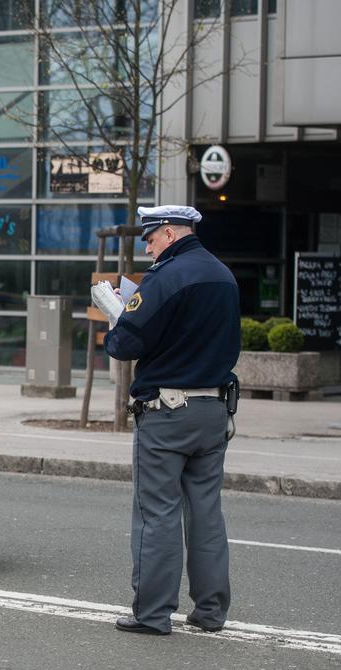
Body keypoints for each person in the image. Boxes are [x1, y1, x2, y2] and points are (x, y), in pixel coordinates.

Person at [103, 205, 240, 636]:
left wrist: (117, 315)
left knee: (157, 512)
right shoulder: (223, 275)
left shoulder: (166, 277)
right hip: (214, 410)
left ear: (167, 233)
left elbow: (125, 343)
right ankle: (211, 611)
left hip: (167, 413)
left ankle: (152, 614)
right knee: (206, 512)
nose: (147, 247)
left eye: (150, 238)